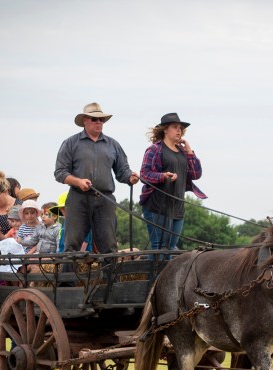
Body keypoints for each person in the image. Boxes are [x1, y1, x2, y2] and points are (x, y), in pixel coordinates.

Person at [53, 102, 139, 256]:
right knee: (72, 245)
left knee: (109, 245)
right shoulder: (71, 143)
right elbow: (60, 173)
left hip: (105, 199)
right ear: (85, 120)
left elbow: (122, 171)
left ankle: (109, 280)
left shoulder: (113, 144)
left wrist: (130, 178)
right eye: (94, 119)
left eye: (102, 119)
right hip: (78, 199)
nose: (99, 122)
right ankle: (67, 281)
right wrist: (78, 182)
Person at [139, 113, 206, 254]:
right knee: (158, 248)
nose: (179, 130)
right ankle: (155, 277)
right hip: (157, 206)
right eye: (175, 127)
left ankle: (165, 277)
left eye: (180, 128)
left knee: (170, 249)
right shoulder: (155, 149)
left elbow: (196, 174)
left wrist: (189, 152)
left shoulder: (183, 152)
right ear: (165, 129)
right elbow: (144, 174)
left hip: (177, 206)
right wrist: (163, 176)